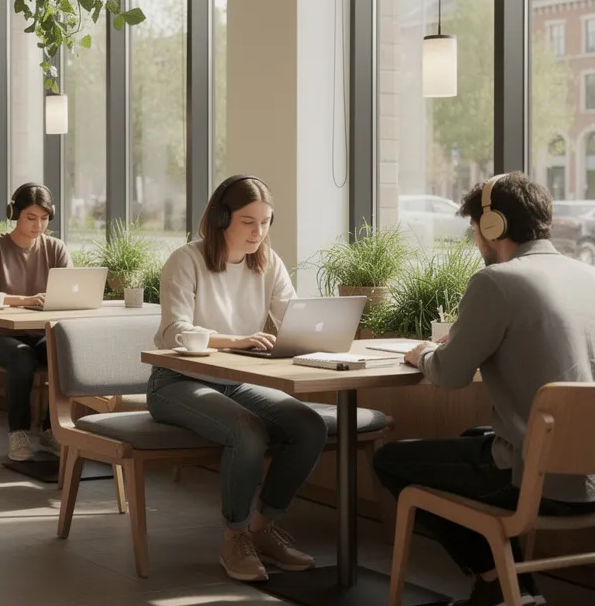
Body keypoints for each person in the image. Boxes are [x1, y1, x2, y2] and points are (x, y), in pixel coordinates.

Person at [373, 172, 595, 606]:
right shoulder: (588, 276)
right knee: (473, 438)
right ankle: (516, 588)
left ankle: (497, 581)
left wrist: (424, 354)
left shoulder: (497, 281)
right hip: (588, 475)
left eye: (475, 227)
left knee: (391, 461)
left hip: (533, 482)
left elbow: (449, 375)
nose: (475, 239)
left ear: (493, 226)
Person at [149, 175, 327, 583]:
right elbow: (174, 332)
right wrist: (236, 340)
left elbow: (292, 319)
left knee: (308, 425)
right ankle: (235, 537)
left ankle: (262, 528)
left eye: (265, 222)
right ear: (220, 217)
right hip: (176, 381)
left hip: (234, 381)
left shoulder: (269, 262)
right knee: (247, 430)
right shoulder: (186, 260)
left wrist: (317, 338)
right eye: (248, 221)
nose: (258, 232)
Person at [0, 183, 70, 462]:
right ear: (14, 213)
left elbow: (70, 291)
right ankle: (19, 433)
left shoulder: (56, 248)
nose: (38, 225)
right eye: (31, 217)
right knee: (22, 355)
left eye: (44, 218)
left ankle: (51, 430)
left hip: (39, 333)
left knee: (62, 350)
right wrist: (27, 300)